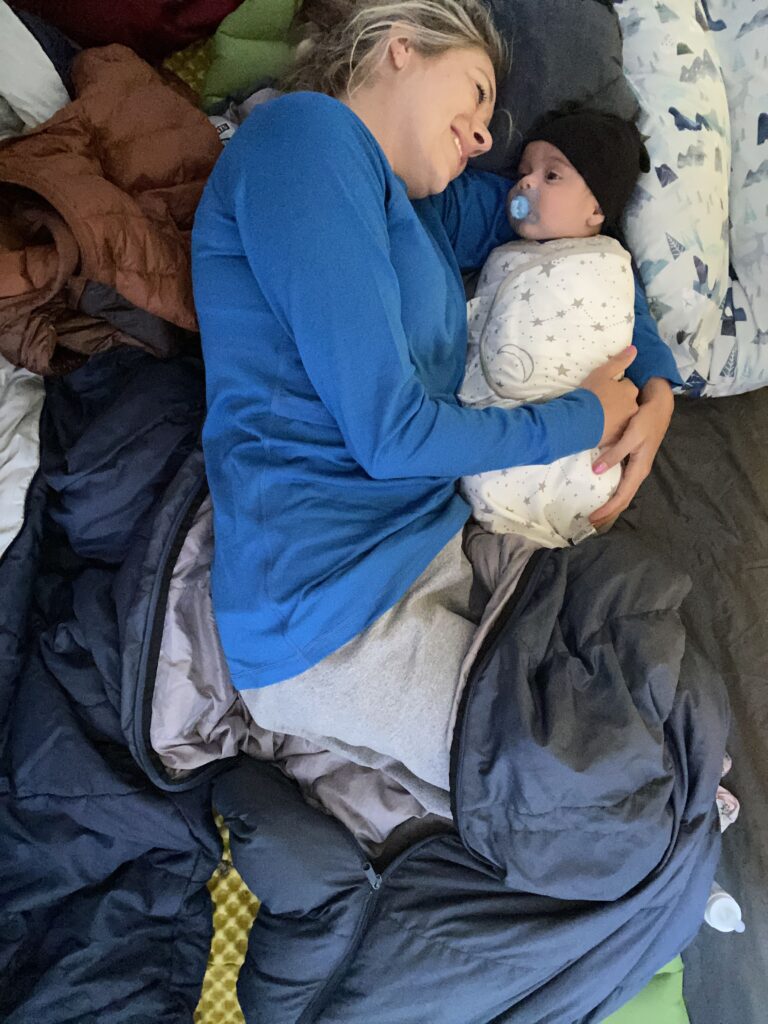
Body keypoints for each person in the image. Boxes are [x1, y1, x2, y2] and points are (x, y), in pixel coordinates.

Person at [191, 0, 680, 805]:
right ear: (401, 49)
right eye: (477, 93)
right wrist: (588, 417)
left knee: (638, 645)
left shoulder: (424, 213)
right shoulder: (304, 141)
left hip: (433, 548)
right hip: (329, 606)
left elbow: (585, 244)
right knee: (594, 794)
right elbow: (390, 437)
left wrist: (654, 387)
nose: (489, 140)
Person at [459, 107, 659, 547]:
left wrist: (659, 391)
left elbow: (627, 328)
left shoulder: (609, 266)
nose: (525, 183)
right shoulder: (503, 246)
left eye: (552, 176)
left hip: (590, 447)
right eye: (524, 171)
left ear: (596, 210)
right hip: (511, 428)